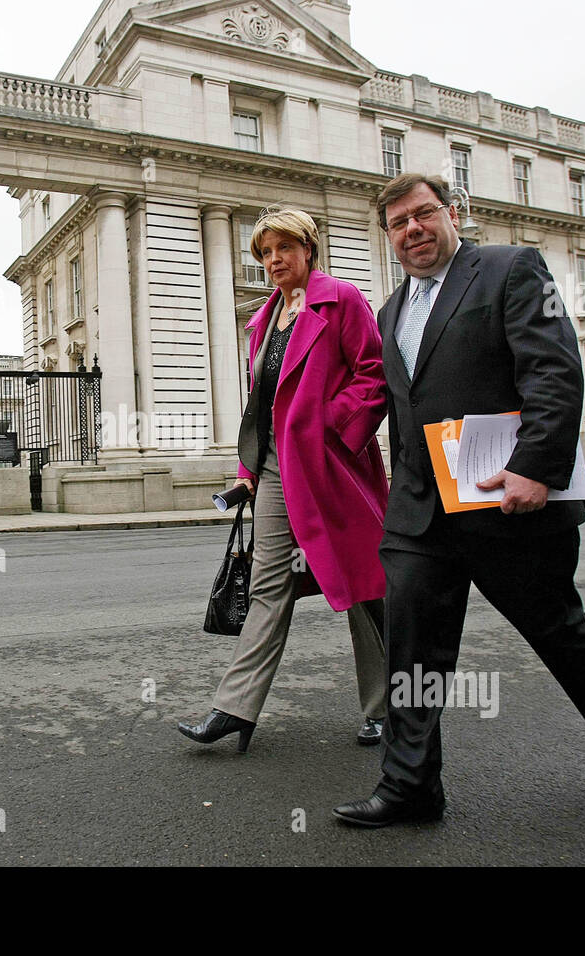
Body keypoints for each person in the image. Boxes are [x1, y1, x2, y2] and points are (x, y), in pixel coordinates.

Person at [332, 173, 585, 828]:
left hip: (509, 503)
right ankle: (410, 786)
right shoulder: (389, 313)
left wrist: (535, 465)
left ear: (453, 214)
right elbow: (397, 408)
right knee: (411, 652)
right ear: (388, 236)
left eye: (423, 214)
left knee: (557, 632)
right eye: (398, 223)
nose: (413, 229)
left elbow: (554, 368)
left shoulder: (509, 269)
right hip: (421, 514)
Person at [179, 207, 391, 752]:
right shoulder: (263, 320)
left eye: (284, 249)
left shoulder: (342, 299)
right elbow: (261, 404)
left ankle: (386, 707)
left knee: (364, 586)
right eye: (266, 252)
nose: (275, 260)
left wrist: (330, 429)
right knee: (269, 585)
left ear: (308, 249)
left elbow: (373, 374)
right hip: (276, 468)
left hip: (332, 465)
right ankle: (235, 710)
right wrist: (249, 470)